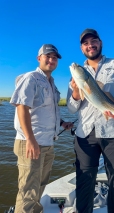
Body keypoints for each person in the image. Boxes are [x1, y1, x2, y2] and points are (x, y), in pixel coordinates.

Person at [67, 29, 114, 213]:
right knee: (84, 180)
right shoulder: (76, 77)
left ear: (100, 43)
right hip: (85, 133)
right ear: (81, 48)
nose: (90, 45)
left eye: (93, 41)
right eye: (85, 43)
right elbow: (71, 107)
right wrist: (76, 91)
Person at [10, 44, 73, 213]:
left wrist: (62, 123)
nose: (51, 60)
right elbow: (21, 107)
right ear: (39, 58)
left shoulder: (51, 84)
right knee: (28, 190)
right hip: (30, 143)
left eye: (54, 58)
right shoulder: (30, 78)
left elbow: (48, 111)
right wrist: (30, 139)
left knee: (40, 185)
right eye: (48, 56)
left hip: (47, 144)